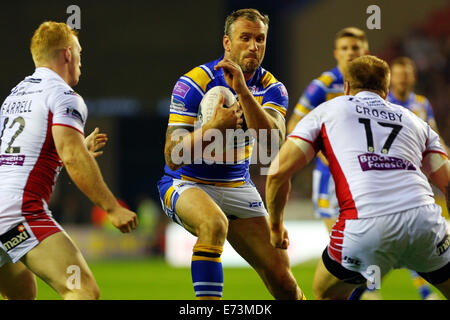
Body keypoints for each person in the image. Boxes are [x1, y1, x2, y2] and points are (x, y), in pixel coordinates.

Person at [266, 55, 450, 300]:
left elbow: (278, 172)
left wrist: (276, 227)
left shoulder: (328, 111)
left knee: (325, 292)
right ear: (386, 90)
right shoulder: (416, 121)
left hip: (365, 226)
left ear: (347, 87)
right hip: (425, 223)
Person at [157, 8, 304, 300]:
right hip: (187, 183)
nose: (254, 46)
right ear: (227, 42)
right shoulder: (194, 82)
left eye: (260, 39)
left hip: (238, 186)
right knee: (213, 224)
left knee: (284, 281)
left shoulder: (273, 88)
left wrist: (242, 90)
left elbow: (273, 141)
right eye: (245, 38)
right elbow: (173, 154)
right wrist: (213, 127)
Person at [0, 21, 138, 300]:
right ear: (67, 54)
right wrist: (112, 208)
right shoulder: (63, 96)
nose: (80, 62)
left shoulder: (14, 96)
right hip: (19, 213)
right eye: (79, 53)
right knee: (83, 290)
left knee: (22, 293)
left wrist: (72, 150)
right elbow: (73, 157)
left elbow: (22, 157)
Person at [286, 27, 369, 233]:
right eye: (345, 48)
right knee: (337, 240)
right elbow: (294, 123)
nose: (350, 52)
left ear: (365, 51)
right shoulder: (323, 86)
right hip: (330, 174)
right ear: (336, 53)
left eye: (355, 47)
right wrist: (320, 150)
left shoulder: (373, 84)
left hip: (366, 172)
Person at [388, 56, 449, 299]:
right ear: (391, 78)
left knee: (418, 235)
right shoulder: (384, 102)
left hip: (419, 178)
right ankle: (369, 290)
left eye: (407, 74)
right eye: (398, 74)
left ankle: (424, 291)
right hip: (390, 179)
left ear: (413, 77)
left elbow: (433, 136)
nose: (403, 78)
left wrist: (445, 158)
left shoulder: (422, 104)